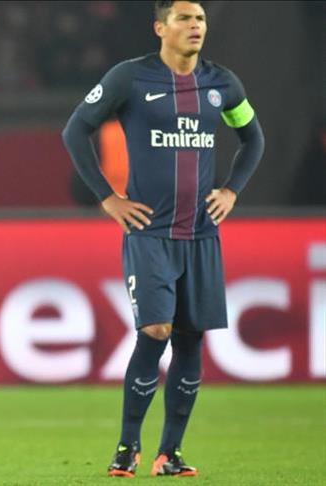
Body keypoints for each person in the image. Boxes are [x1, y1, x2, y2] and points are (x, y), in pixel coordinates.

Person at [62, 0, 264, 478]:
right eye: (184, 19)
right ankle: (127, 446)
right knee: (156, 330)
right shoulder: (129, 78)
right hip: (150, 232)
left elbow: (253, 138)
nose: (196, 26)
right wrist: (108, 198)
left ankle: (169, 453)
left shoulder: (223, 84)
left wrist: (231, 190)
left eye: (201, 19)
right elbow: (75, 131)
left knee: (191, 340)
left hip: (201, 235)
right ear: (160, 28)